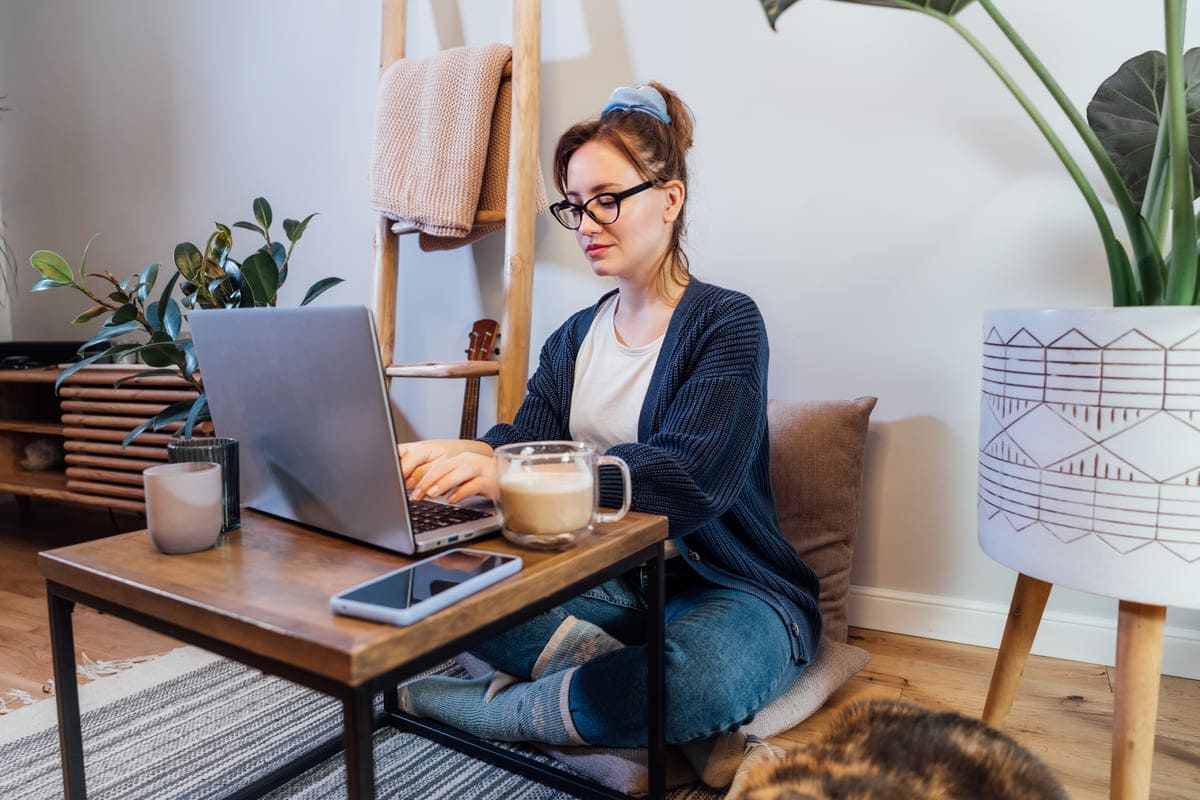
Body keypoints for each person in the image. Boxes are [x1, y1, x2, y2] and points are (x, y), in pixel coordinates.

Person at [396, 82, 821, 773]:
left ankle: (496, 709)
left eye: (607, 199)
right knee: (451, 587)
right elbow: (524, 439)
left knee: (695, 680)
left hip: (729, 589)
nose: (587, 222)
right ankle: (628, 702)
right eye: (574, 205)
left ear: (670, 199)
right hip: (615, 582)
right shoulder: (573, 338)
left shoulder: (726, 324)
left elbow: (690, 480)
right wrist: (471, 451)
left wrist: (512, 470)